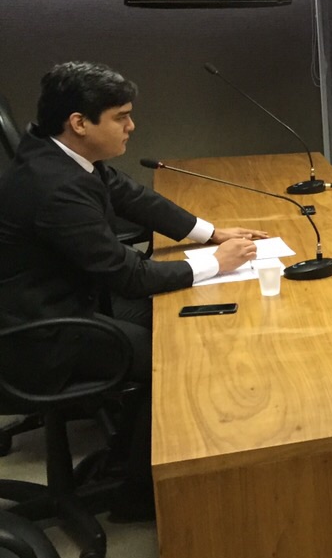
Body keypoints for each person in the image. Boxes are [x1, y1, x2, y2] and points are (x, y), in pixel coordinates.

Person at [0, 62, 266, 518]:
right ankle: (138, 492)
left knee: (174, 318)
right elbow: (131, 276)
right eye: (121, 116)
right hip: (40, 338)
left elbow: (130, 196)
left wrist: (211, 233)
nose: (132, 126)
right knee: (173, 356)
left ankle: (126, 454)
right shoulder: (56, 187)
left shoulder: (55, 153)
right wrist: (215, 262)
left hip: (63, 302)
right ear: (79, 123)